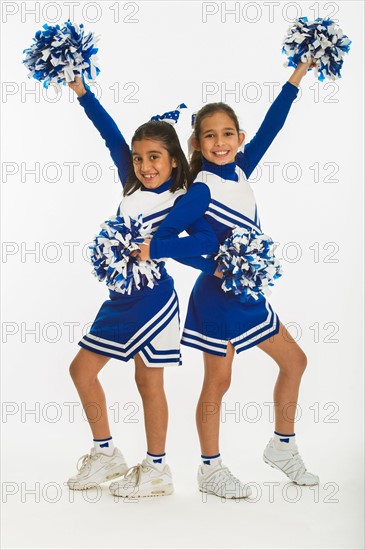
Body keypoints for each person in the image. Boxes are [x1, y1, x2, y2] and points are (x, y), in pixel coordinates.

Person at [147, 60, 320, 499]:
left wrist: (297, 74)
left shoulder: (241, 167)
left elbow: (274, 124)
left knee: (294, 361)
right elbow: (162, 239)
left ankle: (282, 446)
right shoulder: (201, 189)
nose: (220, 142)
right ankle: (210, 469)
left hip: (248, 294)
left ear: (238, 139)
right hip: (217, 299)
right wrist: (213, 266)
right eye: (210, 135)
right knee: (219, 383)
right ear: (197, 143)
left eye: (228, 134)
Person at [66, 78, 218, 498]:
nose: (145, 166)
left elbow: (205, 244)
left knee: (148, 384)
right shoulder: (131, 184)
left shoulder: (184, 197)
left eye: (155, 158)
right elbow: (109, 132)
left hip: (154, 301)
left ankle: (156, 470)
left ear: (173, 161)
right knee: (81, 370)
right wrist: (81, 90)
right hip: (120, 299)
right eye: (138, 158)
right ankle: (106, 453)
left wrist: (160, 248)